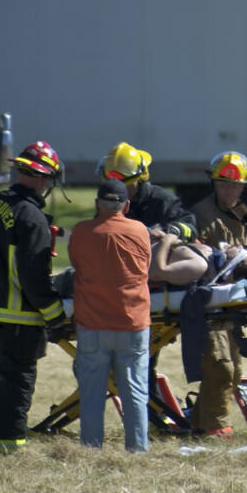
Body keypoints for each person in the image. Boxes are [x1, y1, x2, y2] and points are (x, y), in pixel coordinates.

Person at [0, 141, 71, 453]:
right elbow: (33, 275)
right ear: (45, 179)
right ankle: (8, 445)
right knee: (16, 382)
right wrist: (55, 315)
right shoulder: (31, 217)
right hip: (18, 316)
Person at [67, 180, 152, 452]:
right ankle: (137, 449)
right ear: (126, 206)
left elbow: (75, 265)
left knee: (91, 395)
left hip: (92, 324)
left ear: (96, 204)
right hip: (133, 323)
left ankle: (91, 449)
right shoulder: (139, 230)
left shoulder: (81, 232)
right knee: (135, 392)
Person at [188, 151, 247, 438]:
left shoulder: (243, 214)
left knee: (235, 368)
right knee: (221, 366)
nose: (230, 190)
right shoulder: (200, 215)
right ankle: (217, 427)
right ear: (214, 183)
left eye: (236, 185)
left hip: (234, 303)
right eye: (224, 184)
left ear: (245, 187)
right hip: (210, 304)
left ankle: (200, 423)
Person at [98, 142, 197, 240]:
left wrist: (171, 231)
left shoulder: (162, 200)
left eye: (124, 185)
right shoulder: (109, 203)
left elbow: (190, 227)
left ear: (139, 177)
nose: (117, 190)